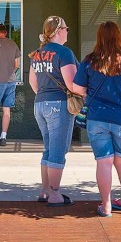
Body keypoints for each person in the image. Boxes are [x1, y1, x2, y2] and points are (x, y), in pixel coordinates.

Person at [73, 21, 121, 218]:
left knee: (104, 162)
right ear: (118, 36)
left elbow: (77, 89)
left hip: (97, 118)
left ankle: (106, 206)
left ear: (99, 37)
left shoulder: (89, 61)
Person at [28, 15, 77, 206]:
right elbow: (72, 85)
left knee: (48, 149)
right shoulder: (64, 53)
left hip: (40, 103)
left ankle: (45, 191)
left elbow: (34, 83)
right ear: (58, 31)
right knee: (58, 151)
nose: (67, 31)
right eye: (66, 28)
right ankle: (55, 194)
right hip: (58, 105)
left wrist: (45, 96)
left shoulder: (37, 53)